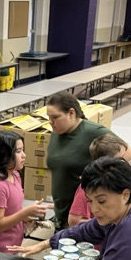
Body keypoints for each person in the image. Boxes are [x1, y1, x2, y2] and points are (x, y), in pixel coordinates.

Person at [46, 92, 113, 229]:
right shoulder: (55, 133)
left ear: (71, 113)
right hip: (61, 215)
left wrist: (97, 177)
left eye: (55, 117)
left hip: (81, 217)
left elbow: (126, 152)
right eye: (49, 117)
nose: (50, 122)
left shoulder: (92, 131)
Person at [0, 130, 47, 253]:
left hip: (13, 246)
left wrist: (27, 219)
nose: (24, 155)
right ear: (5, 155)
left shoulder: (15, 175)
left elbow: (11, 210)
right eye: (18, 151)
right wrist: (25, 212)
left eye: (23, 150)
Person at [68, 133, 131, 227]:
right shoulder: (88, 188)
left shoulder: (116, 182)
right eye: (121, 159)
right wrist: (107, 224)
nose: (125, 163)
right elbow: (73, 220)